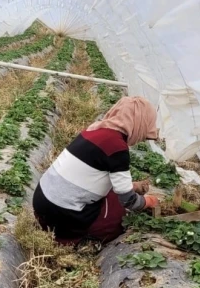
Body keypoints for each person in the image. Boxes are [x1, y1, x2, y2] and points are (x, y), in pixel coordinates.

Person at [33, 96, 160, 246]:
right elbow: (128, 201)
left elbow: (92, 177)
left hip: (42, 205)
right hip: (61, 217)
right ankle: (82, 239)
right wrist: (148, 202)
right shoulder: (116, 147)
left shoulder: (94, 130)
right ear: (139, 123)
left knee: (111, 195)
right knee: (118, 217)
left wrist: (131, 186)